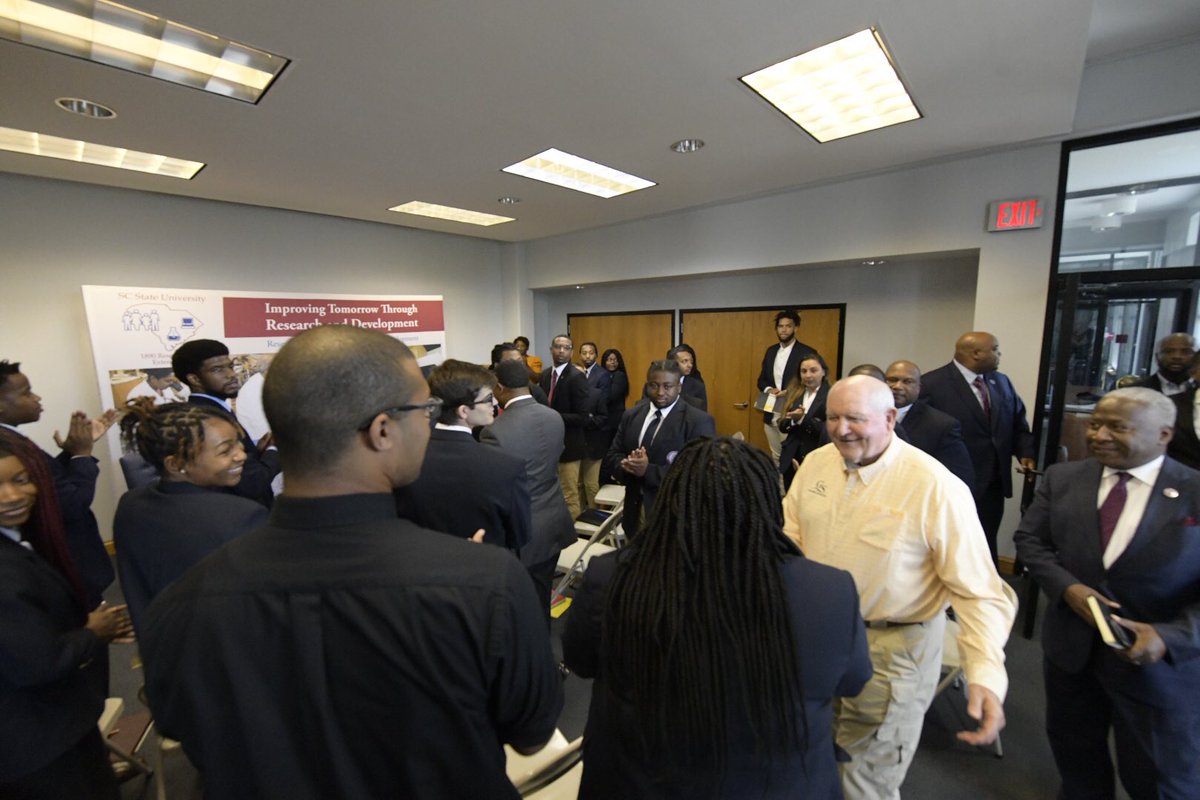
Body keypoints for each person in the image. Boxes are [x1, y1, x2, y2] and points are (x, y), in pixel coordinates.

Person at [141, 325, 563, 799]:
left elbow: (188, 734)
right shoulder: (487, 583)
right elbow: (531, 733)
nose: (430, 423)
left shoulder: (180, 603)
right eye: (424, 410)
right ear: (383, 431)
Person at [563, 437, 871, 799]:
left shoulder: (614, 576)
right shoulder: (829, 592)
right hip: (776, 786)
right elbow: (852, 681)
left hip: (639, 782)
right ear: (769, 504)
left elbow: (580, 661)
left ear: (672, 500)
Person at [783, 376, 1016, 800]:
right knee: (812, 764)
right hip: (818, 643)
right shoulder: (816, 464)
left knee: (863, 782)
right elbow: (789, 541)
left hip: (891, 654)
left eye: (855, 418)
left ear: (890, 418)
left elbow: (979, 593)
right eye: (833, 417)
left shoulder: (934, 486)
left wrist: (984, 673)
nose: (841, 429)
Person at [1014, 388, 1200, 800]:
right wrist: (1068, 588)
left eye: (1117, 427)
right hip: (1072, 654)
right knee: (1077, 759)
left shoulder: (1193, 491)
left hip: (1158, 668)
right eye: (1096, 424)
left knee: (1160, 778)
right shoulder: (1063, 478)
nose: (1098, 435)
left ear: (1164, 435)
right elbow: (1031, 541)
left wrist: (1170, 637)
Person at [0, 436, 132, 799]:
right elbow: (38, 662)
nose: (12, 496)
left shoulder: (14, 542)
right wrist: (92, 633)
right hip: (40, 744)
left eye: (21, 480)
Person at [113, 401, 268, 634]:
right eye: (225, 451)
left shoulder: (130, 504)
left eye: (238, 443)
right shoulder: (242, 517)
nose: (241, 455)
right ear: (175, 464)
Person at [0, 360, 117, 610]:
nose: (37, 398)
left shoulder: (12, 439)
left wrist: (72, 452)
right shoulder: (7, 446)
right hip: (66, 565)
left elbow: (47, 481)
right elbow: (72, 504)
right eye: (26, 393)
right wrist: (82, 455)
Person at [920, 331, 1036, 562]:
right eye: (995, 349)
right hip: (953, 480)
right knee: (953, 542)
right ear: (975, 353)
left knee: (986, 538)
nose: (999, 354)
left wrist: (1025, 453)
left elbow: (1017, 422)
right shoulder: (932, 383)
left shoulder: (1001, 382)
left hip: (993, 481)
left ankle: (989, 581)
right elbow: (922, 433)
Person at [394, 360, 532, 552]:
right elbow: (519, 537)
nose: (494, 403)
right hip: (485, 564)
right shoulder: (506, 468)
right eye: (488, 398)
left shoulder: (402, 460)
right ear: (463, 411)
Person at [480, 360, 578, 617]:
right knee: (542, 598)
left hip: (522, 533)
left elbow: (492, 484)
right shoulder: (553, 416)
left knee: (520, 608)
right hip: (554, 523)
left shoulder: (495, 431)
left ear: (499, 388)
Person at [603, 359, 715, 537]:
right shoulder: (631, 415)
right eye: (654, 386)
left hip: (674, 519)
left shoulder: (698, 421)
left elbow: (698, 473)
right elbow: (612, 455)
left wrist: (647, 471)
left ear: (679, 387)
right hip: (634, 513)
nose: (660, 392)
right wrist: (627, 465)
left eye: (667, 386)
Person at [171, 339, 281, 507]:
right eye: (217, 369)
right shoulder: (209, 419)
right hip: (240, 513)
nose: (231, 375)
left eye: (230, 366)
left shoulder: (212, 410)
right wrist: (274, 450)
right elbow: (251, 483)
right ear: (194, 379)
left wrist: (258, 453)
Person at [885, 360, 976, 490]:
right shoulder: (867, 416)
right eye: (892, 380)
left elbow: (960, 478)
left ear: (919, 388)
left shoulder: (941, 425)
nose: (897, 386)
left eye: (907, 381)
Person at [539, 335, 592, 518]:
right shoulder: (545, 375)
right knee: (552, 493)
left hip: (569, 444)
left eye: (566, 348)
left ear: (572, 352)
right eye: (558, 347)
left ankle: (572, 533)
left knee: (569, 494)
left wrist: (551, 416)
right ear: (551, 349)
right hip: (548, 445)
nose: (561, 351)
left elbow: (582, 417)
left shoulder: (577, 377)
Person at [757, 310, 817, 464]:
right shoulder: (771, 351)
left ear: (795, 328)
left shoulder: (806, 352)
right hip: (771, 408)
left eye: (788, 326)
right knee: (775, 455)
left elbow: (813, 383)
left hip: (792, 410)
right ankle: (778, 480)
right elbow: (761, 380)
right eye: (780, 326)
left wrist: (789, 392)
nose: (784, 330)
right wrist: (769, 389)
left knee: (790, 456)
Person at [778, 353, 830, 488]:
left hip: (816, 458)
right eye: (804, 371)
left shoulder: (831, 395)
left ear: (823, 372)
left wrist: (803, 419)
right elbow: (782, 425)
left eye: (813, 370)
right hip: (791, 457)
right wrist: (793, 421)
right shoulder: (794, 393)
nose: (808, 375)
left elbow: (829, 430)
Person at [577, 341, 611, 508]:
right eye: (584, 352)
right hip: (575, 443)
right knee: (577, 485)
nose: (587, 356)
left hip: (594, 441)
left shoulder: (599, 385)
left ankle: (594, 516)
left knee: (591, 484)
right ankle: (578, 516)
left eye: (590, 352)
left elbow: (602, 415)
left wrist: (586, 418)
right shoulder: (569, 392)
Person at [1137, 332, 1196, 396]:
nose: (1177, 356)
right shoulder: (1134, 390)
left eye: (1186, 352)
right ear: (1157, 357)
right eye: (1168, 351)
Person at [600, 348, 630, 453]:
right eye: (609, 360)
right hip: (606, 419)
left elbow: (611, 396)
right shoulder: (603, 375)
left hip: (614, 419)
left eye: (615, 360)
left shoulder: (619, 375)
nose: (612, 362)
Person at [668, 343, 708, 411]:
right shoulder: (660, 382)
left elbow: (702, 413)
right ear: (672, 363)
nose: (690, 365)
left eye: (691, 362)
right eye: (685, 361)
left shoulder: (697, 386)